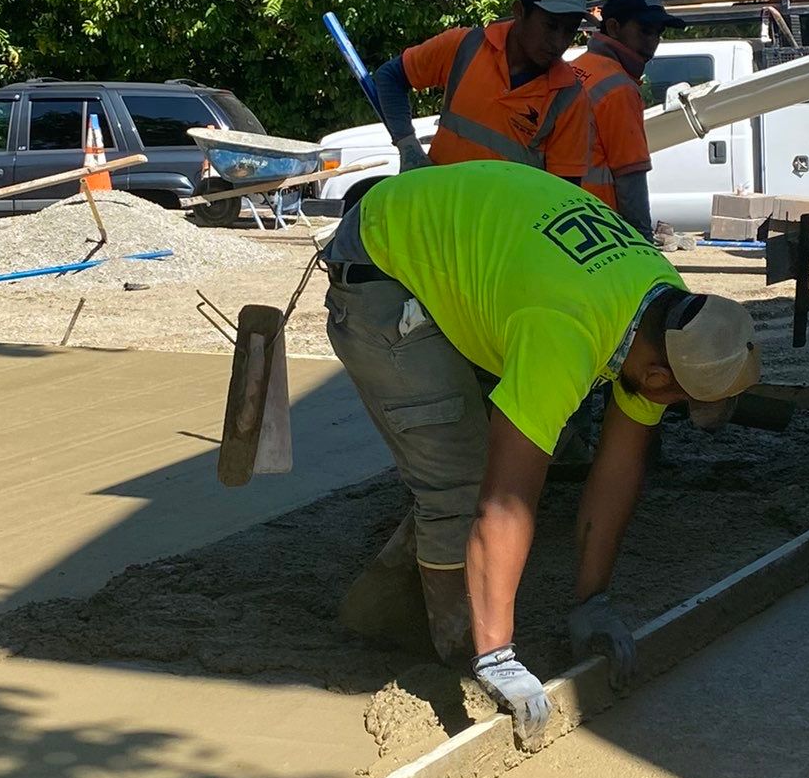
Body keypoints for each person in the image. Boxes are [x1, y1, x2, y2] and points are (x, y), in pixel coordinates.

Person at [323, 159, 762, 742]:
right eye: (677, 401)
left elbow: (618, 472)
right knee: (463, 481)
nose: (668, 408)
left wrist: (593, 601)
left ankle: (383, 603)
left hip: (475, 248)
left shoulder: (670, 315)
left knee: (497, 449)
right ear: (659, 375)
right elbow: (504, 503)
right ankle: (461, 653)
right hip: (382, 259)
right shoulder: (567, 333)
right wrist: (498, 655)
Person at [369, 0, 600, 189]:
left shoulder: (569, 99)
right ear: (519, 12)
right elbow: (390, 77)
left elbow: (562, 194)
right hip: (437, 214)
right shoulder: (464, 47)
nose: (559, 42)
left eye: (569, 30)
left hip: (501, 227)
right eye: (550, 25)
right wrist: (408, 147)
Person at [576, 0, 669, 239]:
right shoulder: (619, 88)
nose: (652, 42)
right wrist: (643, 246)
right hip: (599, 227)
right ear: (614, 28)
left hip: (566, 219)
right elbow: (631, 180)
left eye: (658, 33)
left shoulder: (577, 69)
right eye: (644, 31)